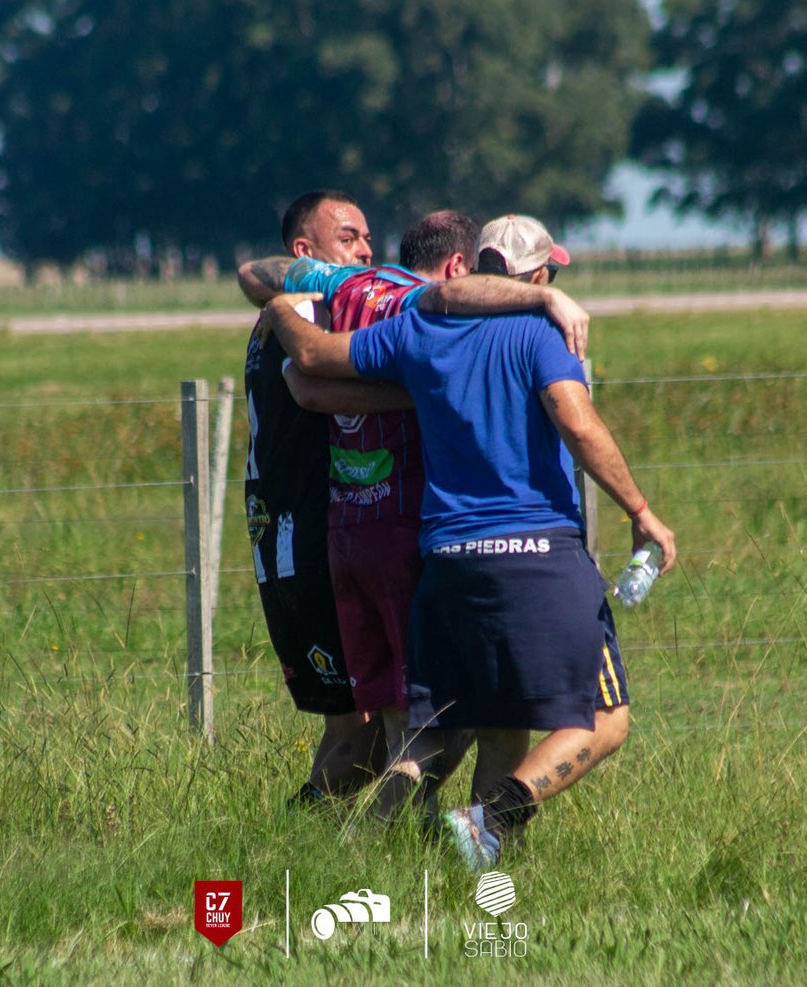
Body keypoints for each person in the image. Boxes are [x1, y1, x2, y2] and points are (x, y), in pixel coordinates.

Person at [262, 213, 677, 870]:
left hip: (447, 565)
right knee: (606, 718)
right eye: (550, 273)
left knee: (495, 727)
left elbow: (309, 373)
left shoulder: (420, 330)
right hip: (536, 555)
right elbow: (578, 423)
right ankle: (492, 815)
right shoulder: (540, 331)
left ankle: (427, 866)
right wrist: (641, 510)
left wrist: (283, 309)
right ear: (536, 278)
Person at [240, 212, 591, 819]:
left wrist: (279, 307)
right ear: (457, 267)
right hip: (416, 531)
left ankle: (377, 834)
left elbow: (262, 287)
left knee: (390, 718)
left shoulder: (349, 285)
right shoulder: (423, 311)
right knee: (455, 718)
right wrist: (443, 388)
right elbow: (449, 305)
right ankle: (431, 833)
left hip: (347, 532)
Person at [241, 190, 384, 806]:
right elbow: (315, 391)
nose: (366, 250)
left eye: (367, 237)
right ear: (305, 251)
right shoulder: (307, 311)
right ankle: (297, 830)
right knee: (375, 733)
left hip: (282, 540)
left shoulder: (277, 313)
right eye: (348, 238)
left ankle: (307, 838)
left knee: (348, 721)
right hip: (310, 539)